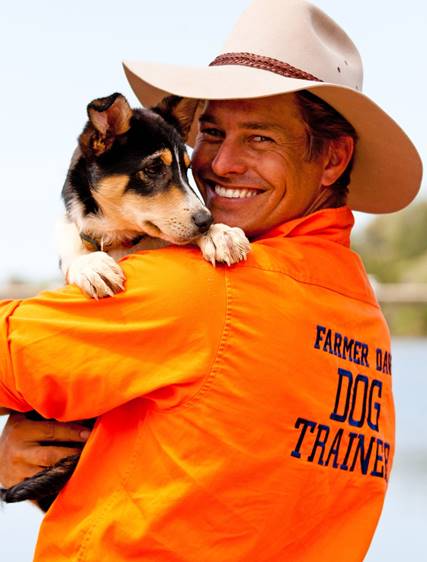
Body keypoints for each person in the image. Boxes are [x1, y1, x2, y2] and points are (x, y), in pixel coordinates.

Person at [0, 0, 422, 560]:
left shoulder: (200, 290)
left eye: (261, 138)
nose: (218, 164)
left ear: (332, 160)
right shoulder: (363, 321)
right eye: (212, 132)